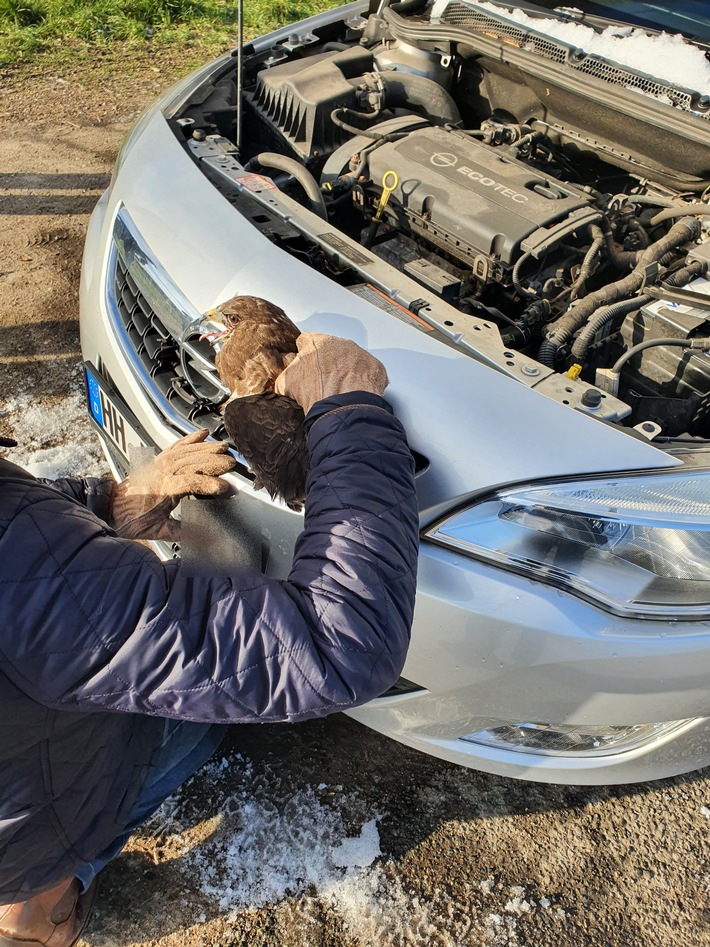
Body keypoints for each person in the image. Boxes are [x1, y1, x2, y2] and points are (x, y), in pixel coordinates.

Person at [0, 333, 419, 947]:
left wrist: (109, 508)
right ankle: (36, 917)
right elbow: (340, 644)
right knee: (201, 730)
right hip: (25, 829)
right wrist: (349, 411)